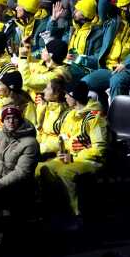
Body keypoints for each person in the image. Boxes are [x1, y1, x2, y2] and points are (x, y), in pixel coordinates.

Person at [41, 82, 106, 218]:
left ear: (74, 97)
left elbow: (100, 148)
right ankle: (53, 209)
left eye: (67, 94)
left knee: (65, 172)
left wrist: (73, 158)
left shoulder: (94, 118)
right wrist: (60, 149)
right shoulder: (70, 115)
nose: (64, 97)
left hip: (90, 161)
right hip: (69, 158)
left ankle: (75, 213)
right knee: (42, 169)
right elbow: (63, 138)